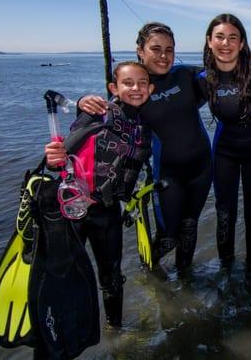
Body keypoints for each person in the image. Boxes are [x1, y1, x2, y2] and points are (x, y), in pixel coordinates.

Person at [79, 22, 212, 277]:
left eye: (169, 49)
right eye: (156, 49)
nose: (164, 55)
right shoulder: (137, 89)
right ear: (140, 50)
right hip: (167, 175)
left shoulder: (185, 75)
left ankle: (186, 279)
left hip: (202, 168)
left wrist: (250, 56)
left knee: (190, 226)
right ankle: (151, 277)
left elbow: (223, 69)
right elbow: (106, 116)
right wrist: (82, 102)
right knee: (169, 235)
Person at [45, 61, 154, 328]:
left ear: (150, 89)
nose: (136, 88)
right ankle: (61, 331)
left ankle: (114, 329)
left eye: (142, 83)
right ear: (113, 87)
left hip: (107, 211)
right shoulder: (98, 113)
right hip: (73, 209)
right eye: (128, 83)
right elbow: (61, 157)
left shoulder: (143, 126)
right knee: (64, 275)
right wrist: (51, 159)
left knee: (112, 278)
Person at [197, 14, 251, 271]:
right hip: (224, 152)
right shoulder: (202, 78)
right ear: (209, 41)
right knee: (225, 213)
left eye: (233, 37)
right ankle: (226, 269)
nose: (226, 43)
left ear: (242, 44)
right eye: (219, 36)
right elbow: (163, 88)